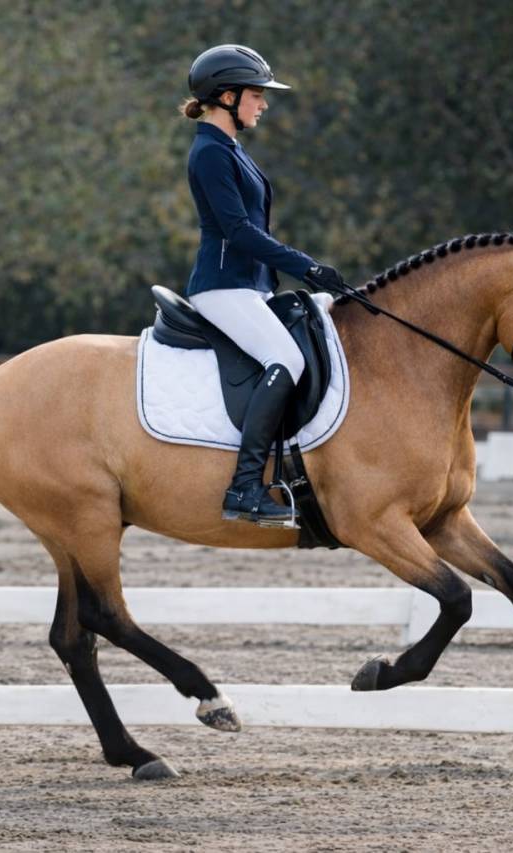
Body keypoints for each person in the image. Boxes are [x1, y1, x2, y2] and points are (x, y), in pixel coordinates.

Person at [180, 44, 348, 527]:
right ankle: (245, 486)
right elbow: (239, 232)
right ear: (227, 96)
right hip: (223, 286)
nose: (264, 104)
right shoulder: (210, 153)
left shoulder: (230, 149)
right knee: (287, 359)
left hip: (250, 286)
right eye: (256, 95)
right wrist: (307, 267)